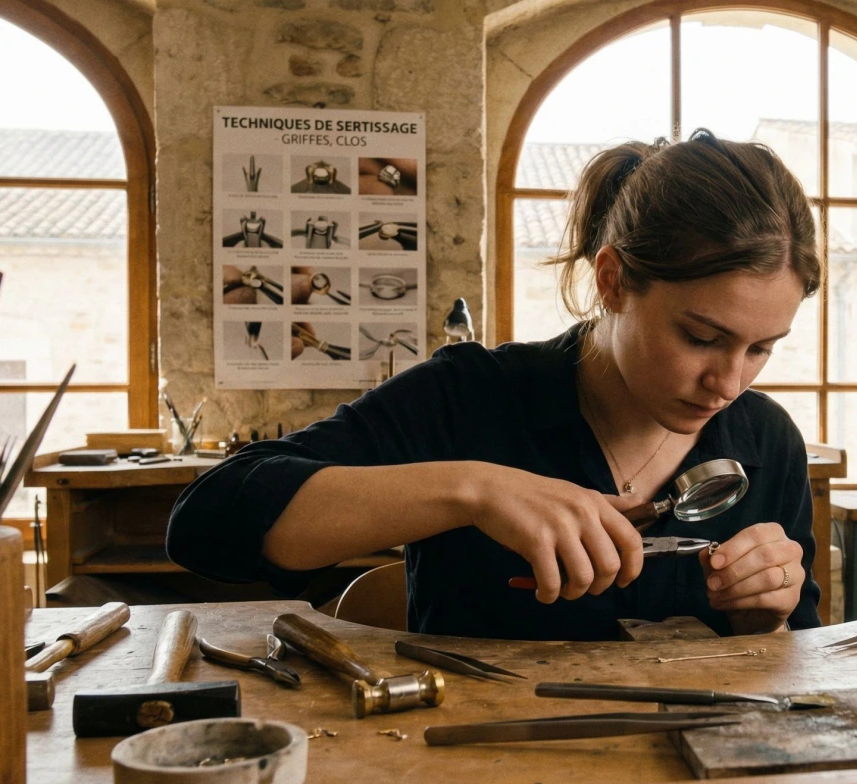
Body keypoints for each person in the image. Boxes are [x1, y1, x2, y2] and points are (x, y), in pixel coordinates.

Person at [167, 130, 822, 640]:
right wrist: (472, 489)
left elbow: (794, 653)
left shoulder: (766, 440)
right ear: (614, 281)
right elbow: (209, 523)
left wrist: (764, 614)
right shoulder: (471, 396)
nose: (728, 382)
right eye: (701, 338)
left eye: (761, 348)